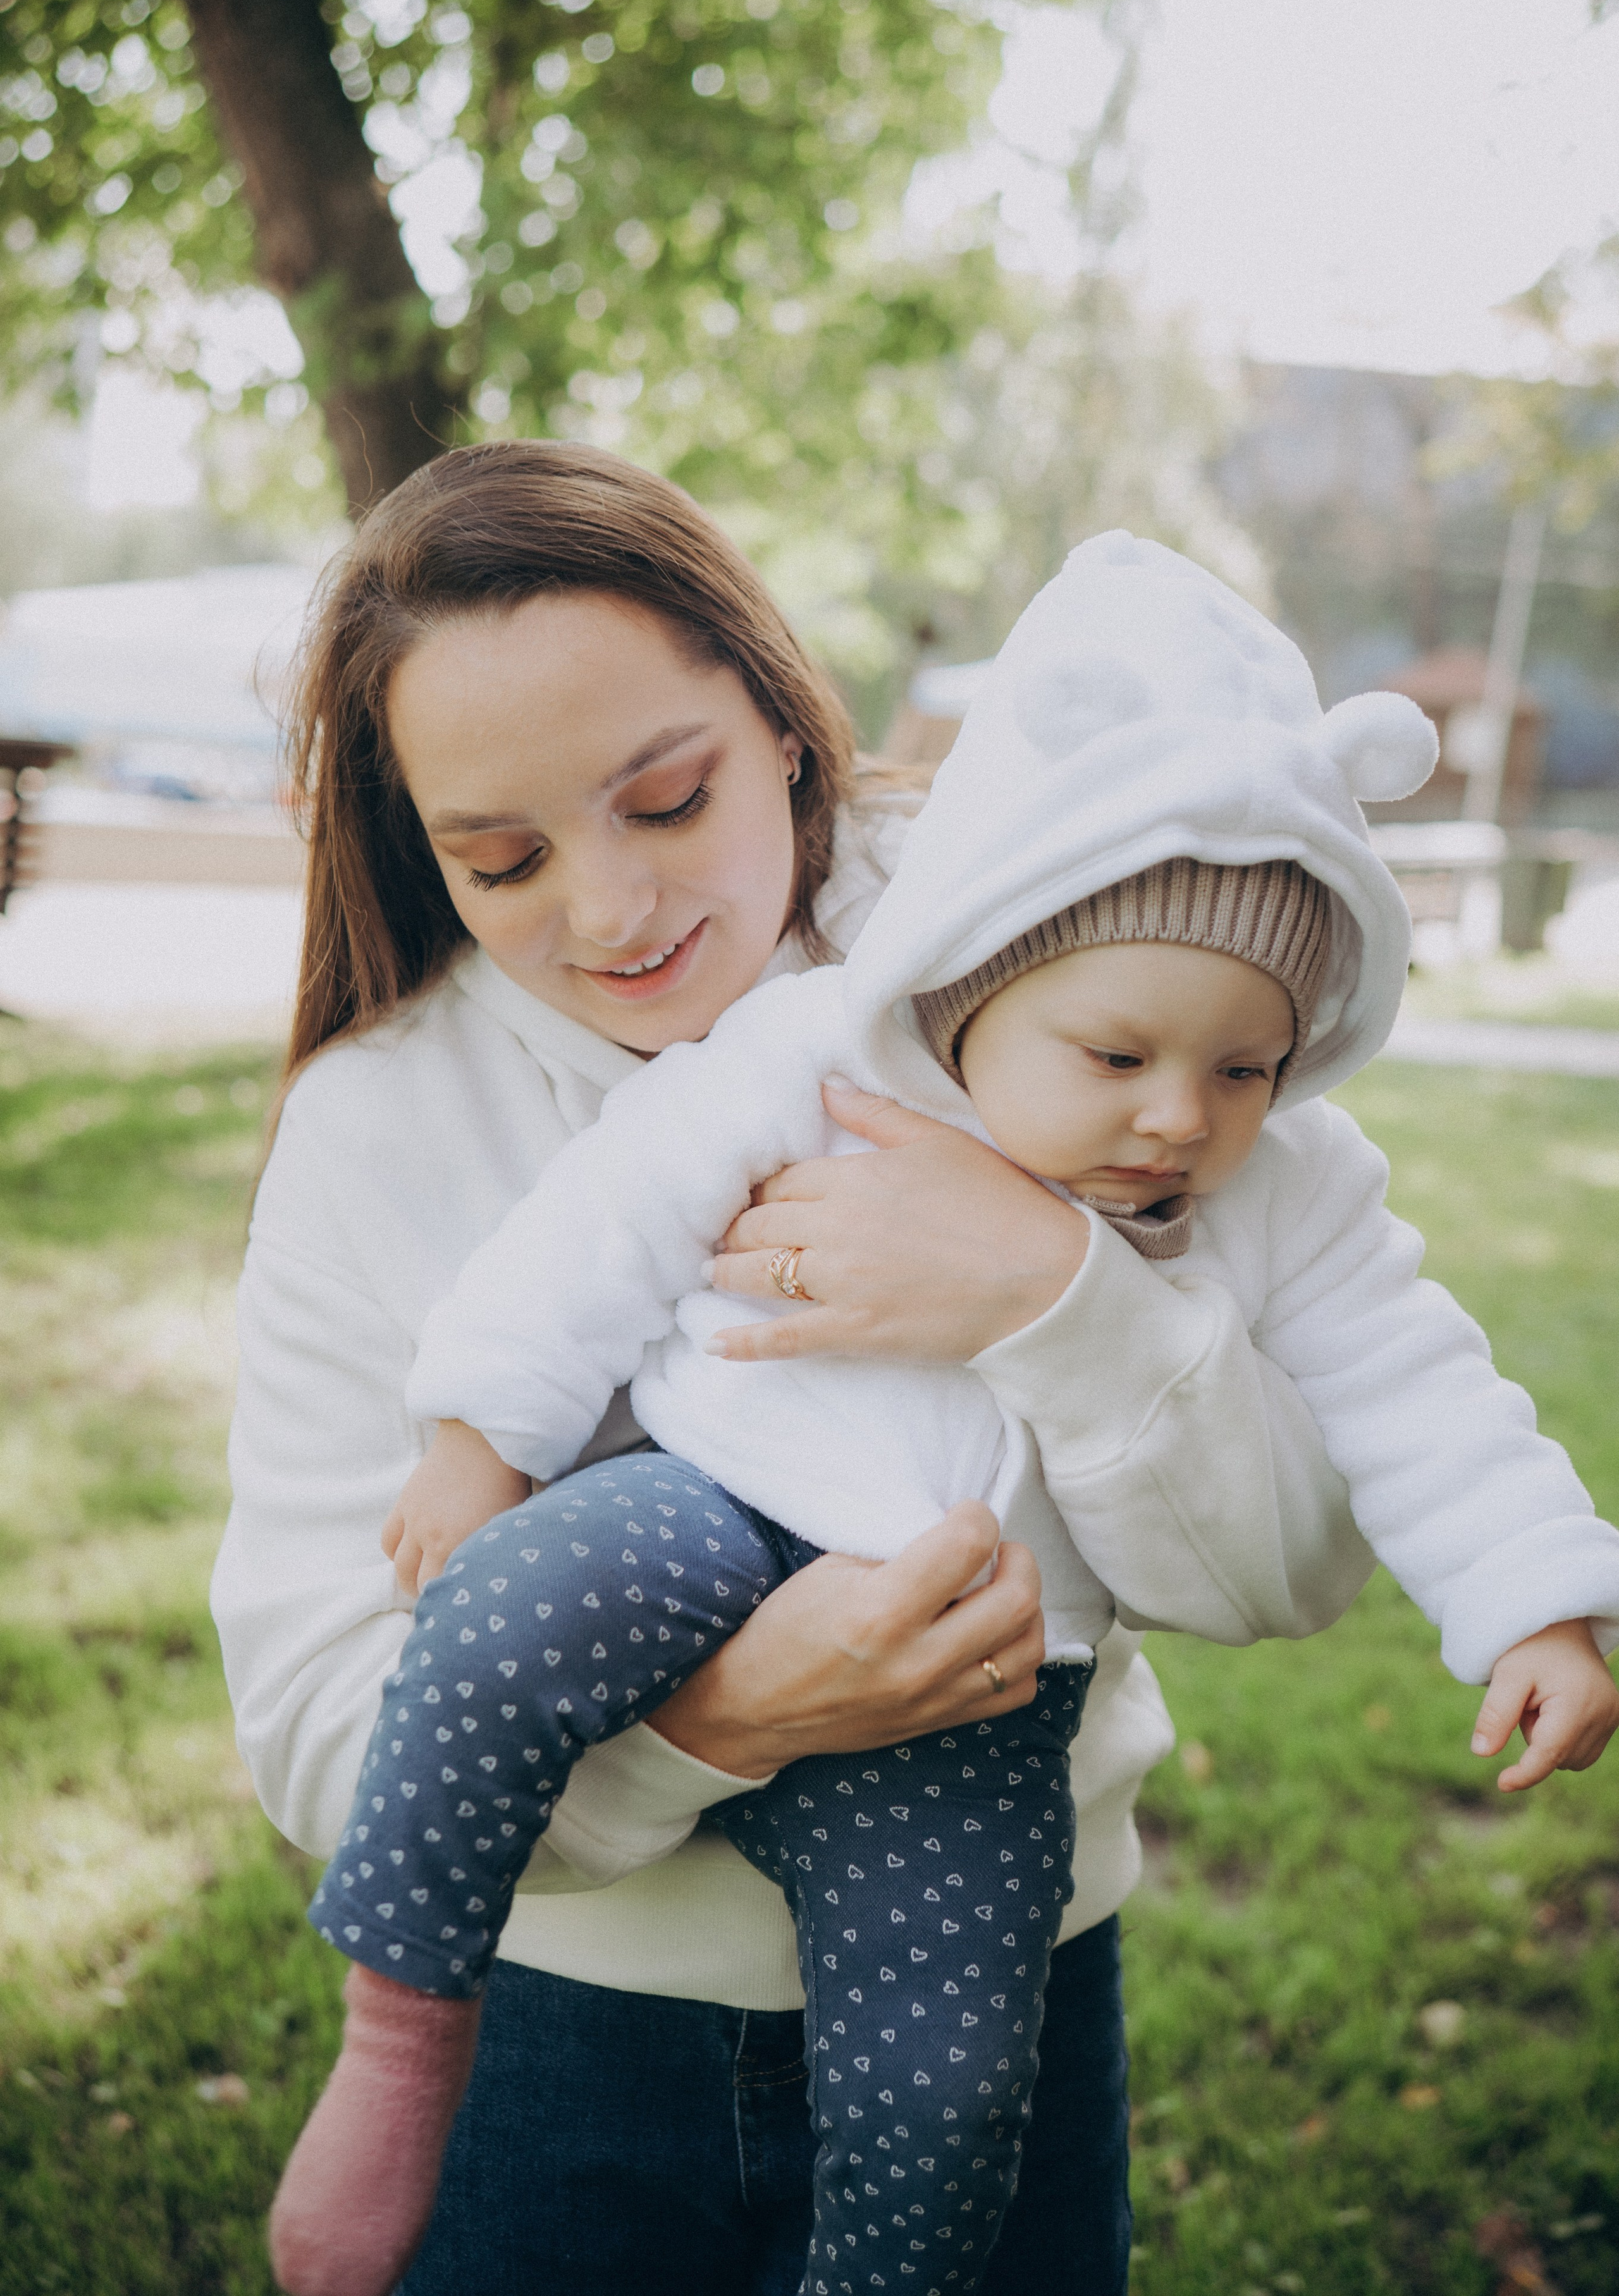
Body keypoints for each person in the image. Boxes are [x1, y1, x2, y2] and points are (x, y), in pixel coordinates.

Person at [268, 532, 1619, 2296]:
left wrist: (1535, 1591)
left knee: (954, 2075)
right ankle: (399, 2034)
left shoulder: (1269, 1167)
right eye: (503, 857)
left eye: (670, 800)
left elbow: (1414, 1389)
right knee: (509, 1609)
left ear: (786, 731)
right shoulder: (821, 1044)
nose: (1179, 1121)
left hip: (990, 1662)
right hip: (704, 1564)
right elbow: (599, 1231)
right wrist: (489, 1441)